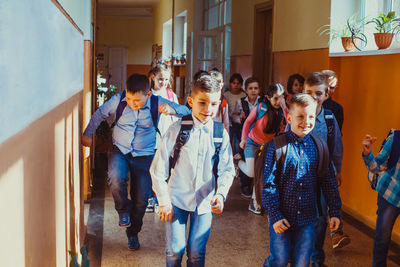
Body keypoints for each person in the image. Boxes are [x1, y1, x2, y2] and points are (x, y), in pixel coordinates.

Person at [82, 74, 190, 250]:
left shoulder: (157, 102)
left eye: (137, 101)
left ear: (148, 95)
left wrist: (172, 111)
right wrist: (87, 134)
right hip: (120, 149)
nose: (133, 103)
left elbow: (187, 111)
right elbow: (100, 114)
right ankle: (124, 210)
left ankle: (133, 232)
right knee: (116, 178)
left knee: (141, 199)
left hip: (145, 154)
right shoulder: (118, 100)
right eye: (130, 99)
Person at [150, 75, 235, 266]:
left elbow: (227, 169)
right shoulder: (177, 129)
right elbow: (158, 168)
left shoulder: (220, 134)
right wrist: (163, 201)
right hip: (176, 200)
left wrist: (221, 194)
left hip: (205, 203)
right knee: (174, 251)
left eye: (213, 104)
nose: (208, 109)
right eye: (202, 103)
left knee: (197, 253)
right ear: (191, 102)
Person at [262, 93, 342, 267]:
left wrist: (335, 211)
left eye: (311, 116)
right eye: (300, 116)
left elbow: (329, 182)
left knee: (302, 262)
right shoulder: (277, 146)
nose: (306, 121)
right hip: (281, 218)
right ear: (289, 118)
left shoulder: (320, 146)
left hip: (307, 220)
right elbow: (268, 185)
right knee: (279, 259)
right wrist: (275, 216)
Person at [302, 72, 349, 266]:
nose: (314, 97)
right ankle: (300, 254)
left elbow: (336, 146)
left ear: (326, 95)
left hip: (323, 176)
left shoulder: (329, 118)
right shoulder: (297, 114)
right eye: (309, 92)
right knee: (301, 216)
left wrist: (337, 170)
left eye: (318, 93)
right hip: (300, 176)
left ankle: (316, 257)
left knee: (321, 218)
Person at [239, 83, 286, 214]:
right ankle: (237, 163)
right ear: (268, 97)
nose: (278, 101)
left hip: (267, 146)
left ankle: (255, 203)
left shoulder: (282, 110)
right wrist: (243, 139)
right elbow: (248, 122)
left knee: (262, 174)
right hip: (252, 143)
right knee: (252, 172)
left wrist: (284, 106)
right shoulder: (261, 107)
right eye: (276, 98)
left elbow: (289, 121)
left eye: (281, 98)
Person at [362, 131, 400, 267]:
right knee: (382, 238)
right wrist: (367, 153)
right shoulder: (395, 139)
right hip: (390, 194)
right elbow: (376, 166)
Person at [147, 63, 180, 213]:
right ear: (153, 77)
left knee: (165, 168)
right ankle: (149, 197)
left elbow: (179, 115)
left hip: (168, 137)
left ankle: (159, 198)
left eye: (166, 79)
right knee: (151, 168)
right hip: (151, 137)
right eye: (160, 79)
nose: (163, 83)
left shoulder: (171, 95)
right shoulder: (147, 93)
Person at [232, 77, 262, 198]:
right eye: (250, 88)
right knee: (246, 158)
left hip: (259, 136)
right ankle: (245, 185)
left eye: (256, 88)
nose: (253, 91)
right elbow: (233, 116)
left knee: (258, 161)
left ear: (259, 90)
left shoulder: (263, 102)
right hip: (245, 136)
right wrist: (240, 117)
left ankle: (257, 185)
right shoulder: (241, 102)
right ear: (245, 90)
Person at [224, 73, 246, 154]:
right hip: (228, 123)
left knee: (237, 144)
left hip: (238, 124)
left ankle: (237, 161)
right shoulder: (226, 95)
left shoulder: (243, 95)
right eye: (234, 83)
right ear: (230, 84)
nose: (236, 85)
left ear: (241, 84)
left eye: (238, 83)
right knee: (227, 142)